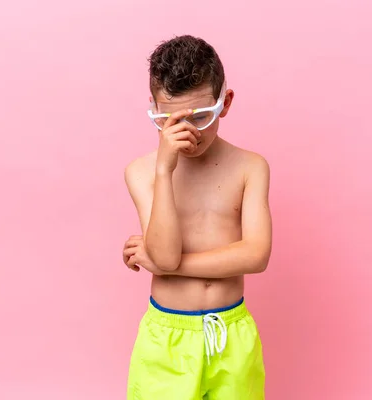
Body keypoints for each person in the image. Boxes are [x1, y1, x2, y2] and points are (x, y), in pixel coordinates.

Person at [122, 34, 272, 400]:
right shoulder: (142, 172)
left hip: (231, 336)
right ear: (153, 109)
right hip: (166, 339)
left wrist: (168, 266)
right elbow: (166, 253)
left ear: (226, 102)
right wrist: (164, 170)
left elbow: (256, 255)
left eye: (201, 116)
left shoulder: (250, 167)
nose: (188, 132)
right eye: (168, 119)